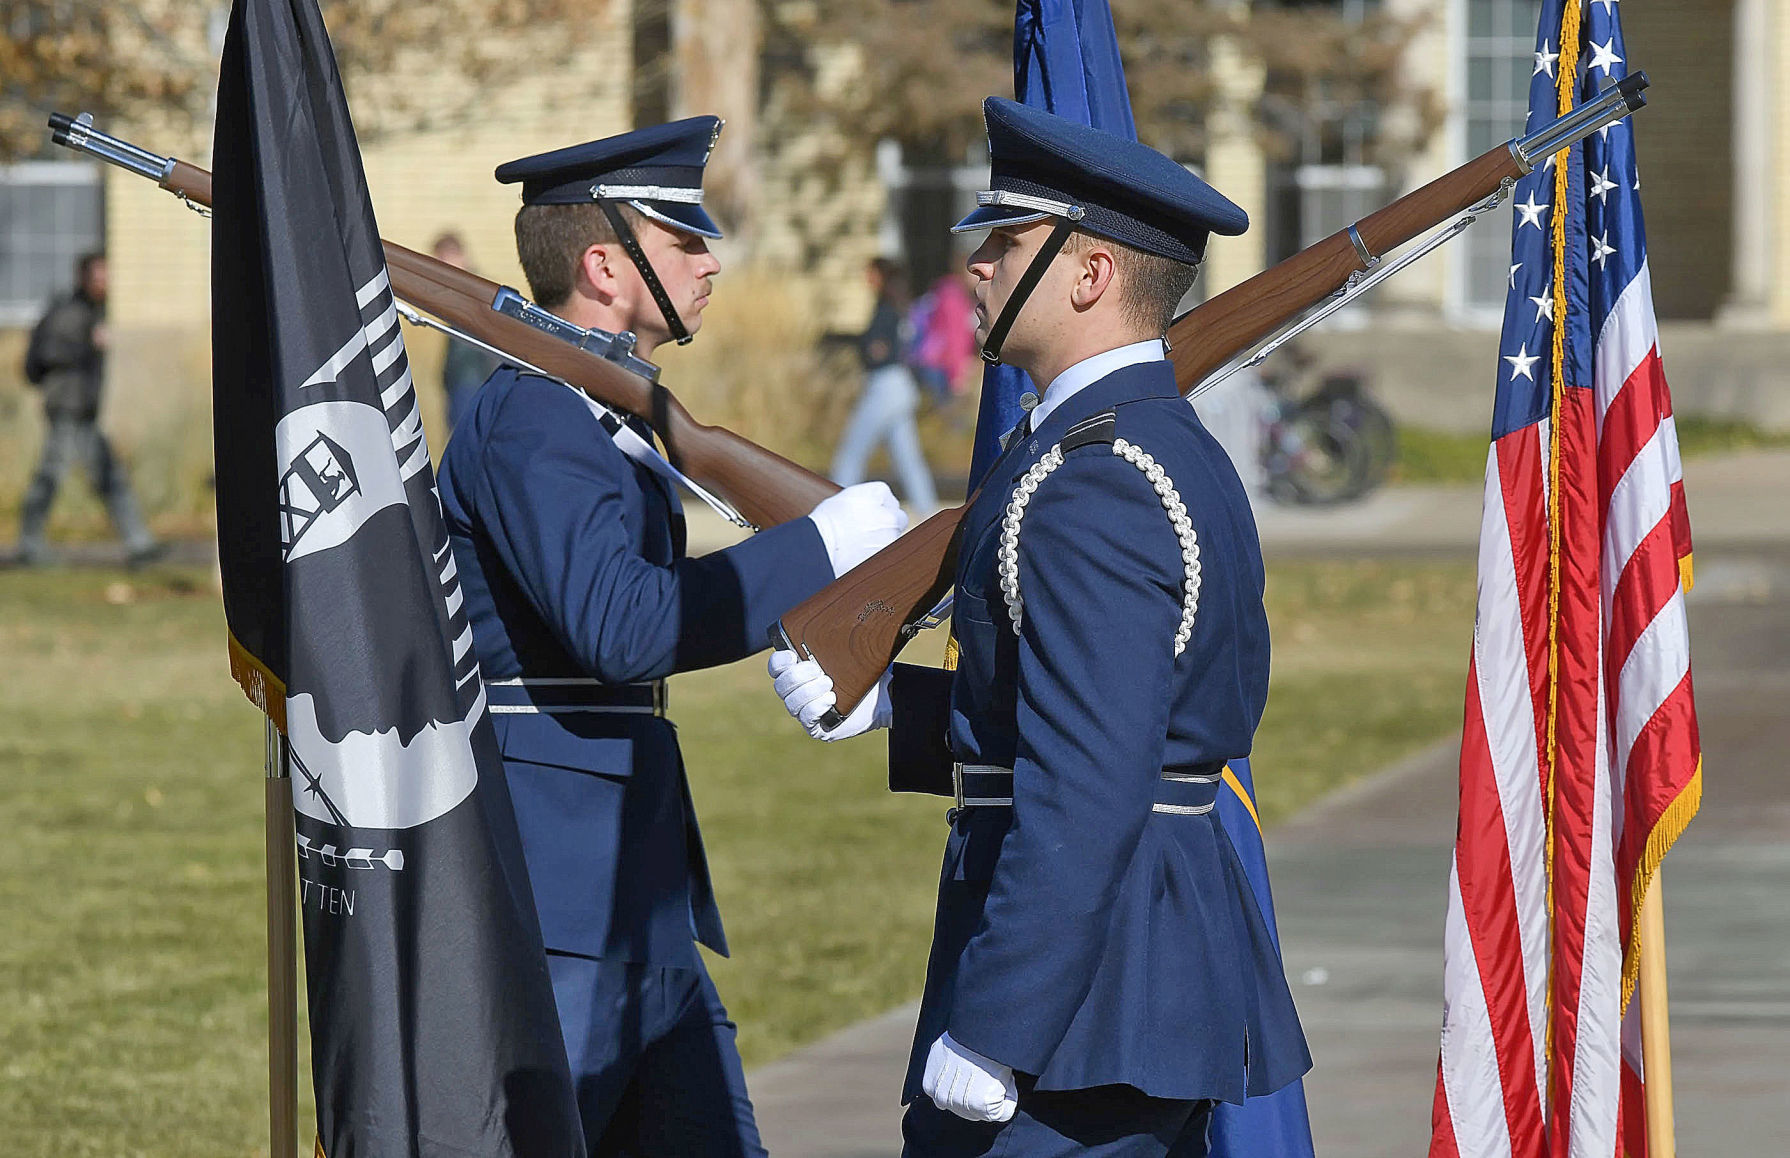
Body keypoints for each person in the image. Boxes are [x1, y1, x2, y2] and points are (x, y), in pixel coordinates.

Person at [768, 98, 1311, 1157]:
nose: (972, 263)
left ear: (1088, 273)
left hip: (1080, 1011)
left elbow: (1093, 779)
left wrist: (997, 1030)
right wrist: (900, 706)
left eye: (1005, 241)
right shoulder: (1141, 446)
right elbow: (1114, 716)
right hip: (1121, 975)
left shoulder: (1091, 483)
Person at [435, 117, 907, 1156]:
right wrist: (811, 555)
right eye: (684, 240)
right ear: (605, 265)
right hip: (553, 885)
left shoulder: (597, 412)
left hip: (630, 879)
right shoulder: (532, 420)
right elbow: (622, 627)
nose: (709, 262)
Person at [13, 253, 161, 566]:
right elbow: (50, 354)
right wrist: (89, 343)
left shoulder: (91, 311)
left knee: (109, 476)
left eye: (108, 276)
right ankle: (29, 545)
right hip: (68, 408)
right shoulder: (70, 312)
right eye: (99, 277)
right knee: (51, 476)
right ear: (84, 278)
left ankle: (140, 543)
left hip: (83, 410)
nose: (105, 283)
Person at [830, 257, 938, 513]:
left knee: (851, 452)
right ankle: (929, 513)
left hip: (886, 386)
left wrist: (849, 342)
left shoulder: (886, 309)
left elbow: (877, 350)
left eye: (870, 273)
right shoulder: (898, 306)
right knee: (908, 459)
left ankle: (833, 510)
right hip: (900, 385)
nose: (867, 278)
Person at [430, 231, 503, 432]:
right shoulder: (462, 294)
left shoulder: (478, 294)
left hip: (474, 386)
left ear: (459, 256)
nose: (440, 268)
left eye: (444, 259)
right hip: (464, 386)